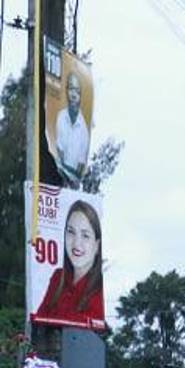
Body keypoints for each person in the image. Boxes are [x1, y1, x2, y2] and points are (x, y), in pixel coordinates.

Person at [34, 200, 104, 329]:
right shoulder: (58, 277)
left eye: (85, 235)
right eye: (71, 232)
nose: (77, 243)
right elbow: (39, 321)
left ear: (97, 245)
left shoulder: (101, 288)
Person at [54, 70, 90, 185]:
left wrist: (72, 182)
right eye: (71, 89)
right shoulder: (61, 117)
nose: (74, 95)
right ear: (66, 91)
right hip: (58, 177)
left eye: (77, 92)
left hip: (72, 183)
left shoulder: (84, 130)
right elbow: (59, 152)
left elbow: (80, 165)